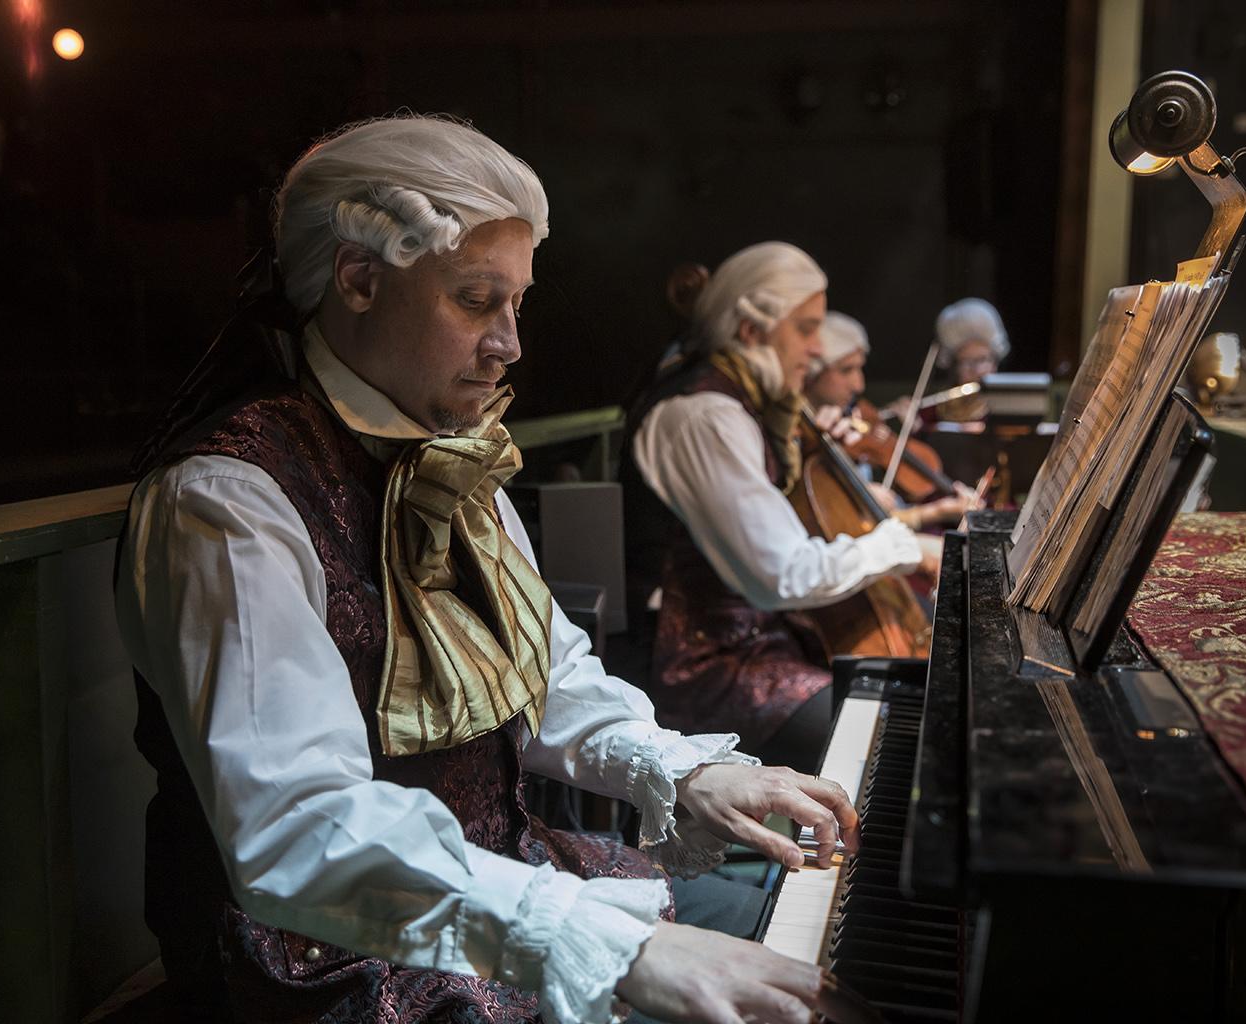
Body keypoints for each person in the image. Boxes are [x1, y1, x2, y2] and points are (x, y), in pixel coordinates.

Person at [114, 116, 872, 1024]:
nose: (511, 344)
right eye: (477, 300)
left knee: (811, 949)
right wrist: (609, 944)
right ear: (358, 279)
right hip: (324, 965)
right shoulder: (228, 502)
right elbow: (298, 828)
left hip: (503, 883)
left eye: (518, 303)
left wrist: (682, 773)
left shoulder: (448, 454)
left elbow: (543, 677)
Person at [621, 242, 937, 773]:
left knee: (910, 700)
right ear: (752, 332)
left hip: (752, 641)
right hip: (698, 665)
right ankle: (850, 854)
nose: (816, 349)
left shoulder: (739, 404)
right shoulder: (705, 416)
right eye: (806, 328)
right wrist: (900, 546)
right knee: (902, 732)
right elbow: (783, 575)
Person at [805, 311, 980, 531]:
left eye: (860, 368)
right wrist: (937, 511)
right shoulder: (800, 438)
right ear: (811, 371)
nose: (858, 385)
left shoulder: (851, 422)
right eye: (846, 370)